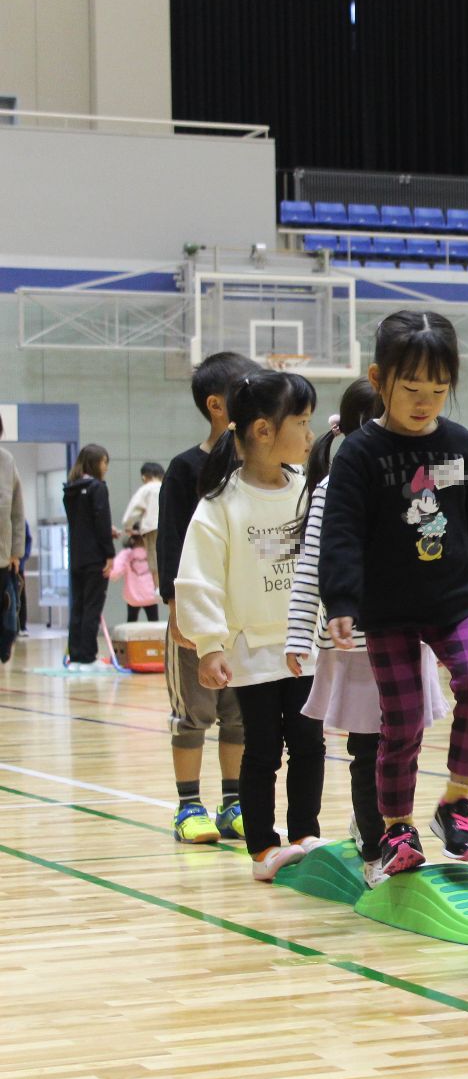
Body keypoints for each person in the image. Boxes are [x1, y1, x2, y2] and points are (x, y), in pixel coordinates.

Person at [321, 312, 468, 882]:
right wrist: (342, 603)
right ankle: (397, 826)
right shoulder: (359, 454)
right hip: (388, 610)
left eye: (439, 390)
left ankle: (456, 803)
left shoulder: (458, 443)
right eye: (411, 389)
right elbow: (342, 532)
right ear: (379, 379)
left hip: (453, 600)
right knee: (403, 722)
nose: (425, 402)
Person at [285, 380, 452, 888]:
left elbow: (436, 553)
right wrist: (297, 635)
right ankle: (379, 846)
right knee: (368, 748)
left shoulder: (417, 481)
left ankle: (385, 827)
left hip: (412, 636)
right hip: (356, 649)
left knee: (404, 743)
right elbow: (312, 565)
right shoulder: (333, 488)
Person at [175, 370, 324, 881]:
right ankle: (262, 846)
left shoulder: (310, 492)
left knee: (309, 744)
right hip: (251, 651)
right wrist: (210, 644)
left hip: (303, 644)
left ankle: (306, 834)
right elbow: (198, 579)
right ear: (263, 430)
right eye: (301, 424)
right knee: (262, 749)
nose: (309, 437)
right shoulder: (221, 504)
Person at [159, 352, 260, 843]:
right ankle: (187, 805)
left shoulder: (263, 471)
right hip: (196, 616)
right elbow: (171, 543)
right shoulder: (185, 469)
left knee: (237, 714)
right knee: (194, 714)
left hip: (242, 618)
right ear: (218, 405)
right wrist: (177, 609)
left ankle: (234, 802)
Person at [63, 444, 115, 670]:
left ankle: (75, 656)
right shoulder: (98, 488)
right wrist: (110, 554)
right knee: (92, 606)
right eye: (104, 462)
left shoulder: (70, 489)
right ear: (96, 463)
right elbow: (100, 523)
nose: (106, 467)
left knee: (79, 607)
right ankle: (88, 657)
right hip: (95, 558)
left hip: (76, 557)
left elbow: (82, 523)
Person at [0, 416, 23, 664]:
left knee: (6, 625)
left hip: (2, 558)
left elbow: (17, 512)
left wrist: (16, 552)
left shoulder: (6, 461)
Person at [121, 462, 165, 587]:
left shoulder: (146, 489)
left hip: (152, 528)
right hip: (169, 528)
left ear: (144, 477)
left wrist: (128, 527)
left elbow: (133, 510)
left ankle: (158, 589)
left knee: (154, 561)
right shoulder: (166, 487)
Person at [110, 532, 160, 622]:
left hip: (133, 597)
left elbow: (114, 573)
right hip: (151, 596)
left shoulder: (126, 554)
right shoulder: (153, 553)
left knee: (131, 621)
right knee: (154, 623)